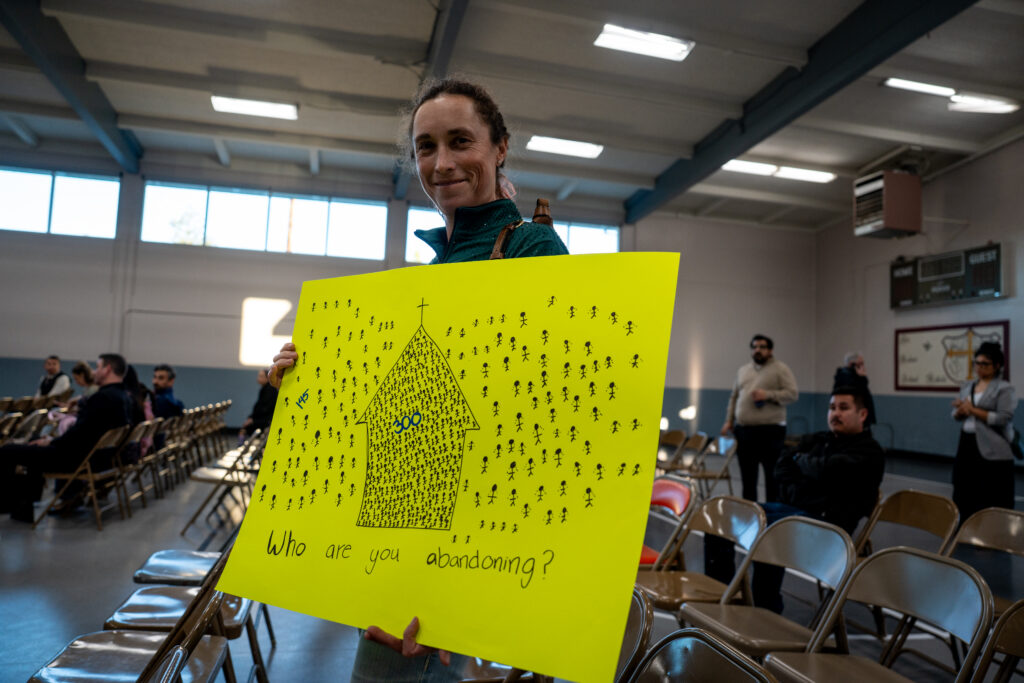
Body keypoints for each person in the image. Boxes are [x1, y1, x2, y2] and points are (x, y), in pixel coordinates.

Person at [269, 78, 568, 681]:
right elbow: (401, 417)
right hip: (399, 521)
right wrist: (306, 388)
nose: (442, 163)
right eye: (425, 147)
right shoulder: (431, 271)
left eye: (462, 141)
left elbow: (537, 420)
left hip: (457, 538)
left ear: (501, 147)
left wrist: (457, 589)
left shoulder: (533, 247)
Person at [706, 386, 884, 612]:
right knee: (721, 514)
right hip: (792, 511)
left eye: (843, 408)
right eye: (831, 408)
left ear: (862, 414)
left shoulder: (870, 453)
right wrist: (812, 473)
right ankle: (718, 598)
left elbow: (831, 472)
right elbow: (781, 469)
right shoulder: (817, 439)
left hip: (829, 532)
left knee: (769, 528)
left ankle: (764, 610)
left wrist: (803, 466)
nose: (835, 413)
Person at [0, 353, 134, 521]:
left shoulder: (103, 397)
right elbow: (85, 432)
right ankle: (23, 507)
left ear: (107, 369)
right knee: (32, 452)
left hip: (76, 459)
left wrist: (50, 441)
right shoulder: (124, 397)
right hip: (101, 458)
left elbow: (78, 435)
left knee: (7, 450)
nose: (94, 371)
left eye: (98, 367)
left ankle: (6, 504)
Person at [721, 334, 799, 502]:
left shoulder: (780, 369)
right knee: (748, 477)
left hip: (770, 431)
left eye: (762, 347)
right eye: (755, 347)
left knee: (772, 476)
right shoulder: (743, 370)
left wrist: (768, 394)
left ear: (770, 350)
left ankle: (771, 516)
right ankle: (749, 514)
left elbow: (792, 394)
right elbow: (734, 397)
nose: (758, 350)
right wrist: (729, 421)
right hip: (745, 431)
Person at [951, 341, 1017, 522]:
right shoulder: (968, 386)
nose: (979, 368)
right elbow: (956, 415)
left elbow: (1003, 418)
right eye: (977, 363)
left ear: (996, 366)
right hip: (967, 441)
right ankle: (964, 524)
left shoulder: (1004, 388)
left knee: (988, 489)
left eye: (985, 364)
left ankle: (988, 530)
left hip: (992, 446)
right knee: (963, 484)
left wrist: (972, 409)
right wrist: (960, 411)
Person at [833, 352, 876, 426]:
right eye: (860, 364)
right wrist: (862, 378)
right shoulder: (847, 377)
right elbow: (859, 395)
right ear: (851, 364)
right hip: (854, 418)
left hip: (861, 416)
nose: (863, 367)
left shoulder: (854, 377)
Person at [240, 368, 277, 438]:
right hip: (261, 419)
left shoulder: (270, 390)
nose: (258, 378)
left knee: (243, 430)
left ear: (267, 378)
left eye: (261, 376)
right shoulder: (265, 389)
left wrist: (252, 420)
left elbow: (265, 410)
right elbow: (258, 407)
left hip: (265, 421)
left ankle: (241, 446)